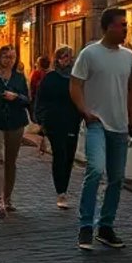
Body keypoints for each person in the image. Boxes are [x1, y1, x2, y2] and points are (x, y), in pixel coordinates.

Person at [69, 7, 132, 250]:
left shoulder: (128, 56)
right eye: (122, 25)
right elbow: (75, 84)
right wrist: (84, 111)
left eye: (126, 25)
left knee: (117, 178)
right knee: (96, 169)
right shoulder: (90, 54)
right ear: (109, 27)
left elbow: (131, 88)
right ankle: (86, 225)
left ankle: (106, 226)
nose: (126, 29)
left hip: (120, 125)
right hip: (97, 122)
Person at [0, 45, 31, 218]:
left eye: (12, 57)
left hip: (15, 122)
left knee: (11, 161)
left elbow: (27, 99)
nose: (9, 60)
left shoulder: (18, 77)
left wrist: (16, 97)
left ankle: (8, 198)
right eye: (6, 57)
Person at [36, 45, 82, 209]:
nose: (67, 60)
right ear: (57, 59)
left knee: (69, 156)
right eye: (63, 56)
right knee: (60, 154)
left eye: (69, 56)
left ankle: (64, 188)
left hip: (72, 121)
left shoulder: (76, 78)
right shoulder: (50, 78)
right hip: (54, 122)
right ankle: (61, 192)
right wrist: (41, 121)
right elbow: (41, 99)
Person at [29, 54, 52, 155]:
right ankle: (43, 143)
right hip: (47, 101)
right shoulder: (52, 74)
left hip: (38, 100)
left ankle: (43, 143)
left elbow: (32, 87)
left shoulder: (36, 73)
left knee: (40, 121)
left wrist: (31, 98)